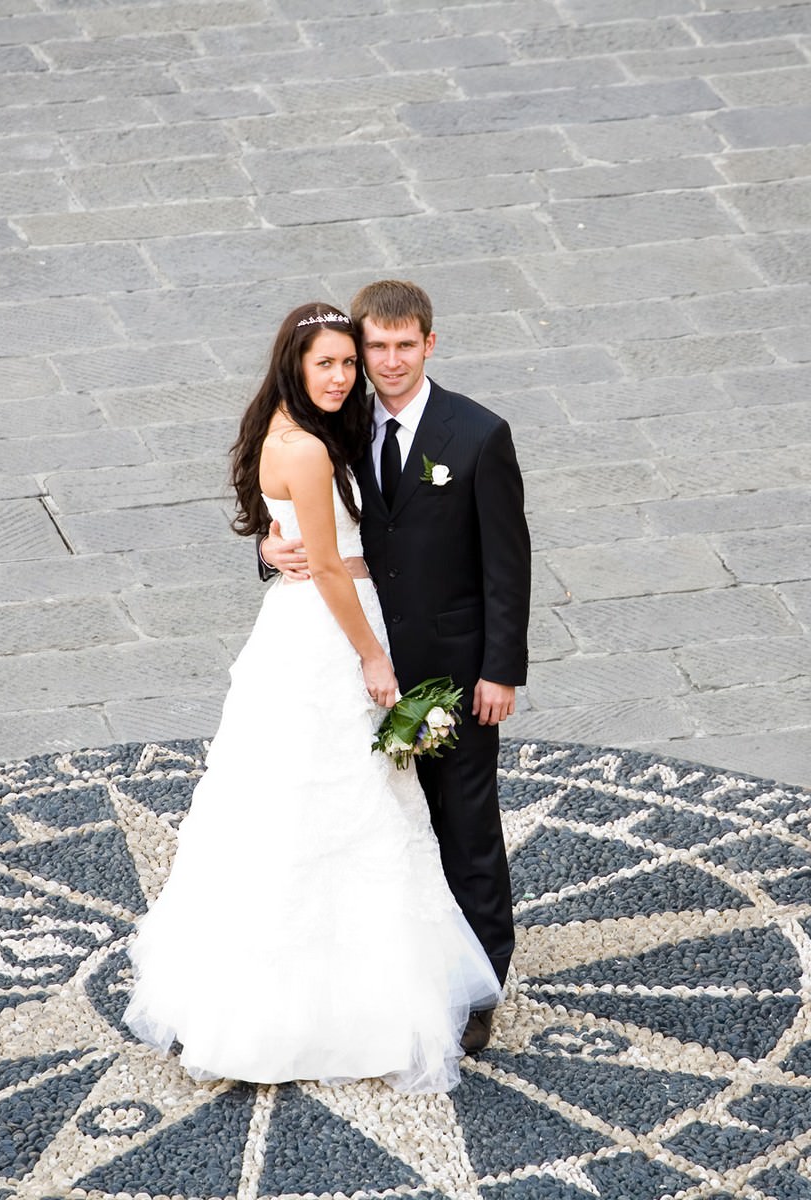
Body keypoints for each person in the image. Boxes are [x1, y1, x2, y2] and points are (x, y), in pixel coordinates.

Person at [124, 301, 502, 1093]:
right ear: (295, 366)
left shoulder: (334, 429)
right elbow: (327, 566)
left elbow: (301, 530)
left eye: (346, 362)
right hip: (333, 638)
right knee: (330, 811)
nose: (342, 375)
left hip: (343, 629)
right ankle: (331, 1007)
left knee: (362, 808)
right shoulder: (308, 445)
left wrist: (272, 541)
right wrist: (370, 655)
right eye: (326, 363)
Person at [262, 279, 531, 1054]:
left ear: (430, 345)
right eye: (373, 347)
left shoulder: (478, 436)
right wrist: (266, 548)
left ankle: (481, 984)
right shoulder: (335, 421)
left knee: (464, 823)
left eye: (403, 346)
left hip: (452, 670)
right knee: (379, 823)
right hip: (357, 665)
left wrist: (499, 672)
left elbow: (506, 567)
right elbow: (296, 507)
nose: (385, 363)